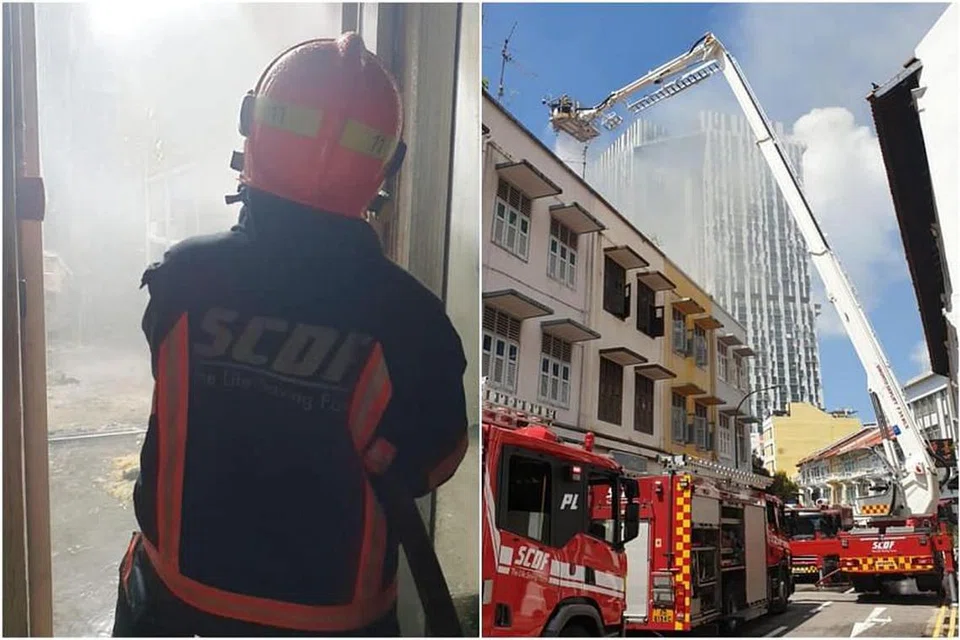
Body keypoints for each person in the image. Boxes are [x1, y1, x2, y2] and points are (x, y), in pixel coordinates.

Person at [112, 33, 469, 637]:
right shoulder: (413, 320)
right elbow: (432, 464)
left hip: (173, 605)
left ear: (255, 126)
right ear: (387, 164)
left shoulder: (183, 278)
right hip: (333, 619)